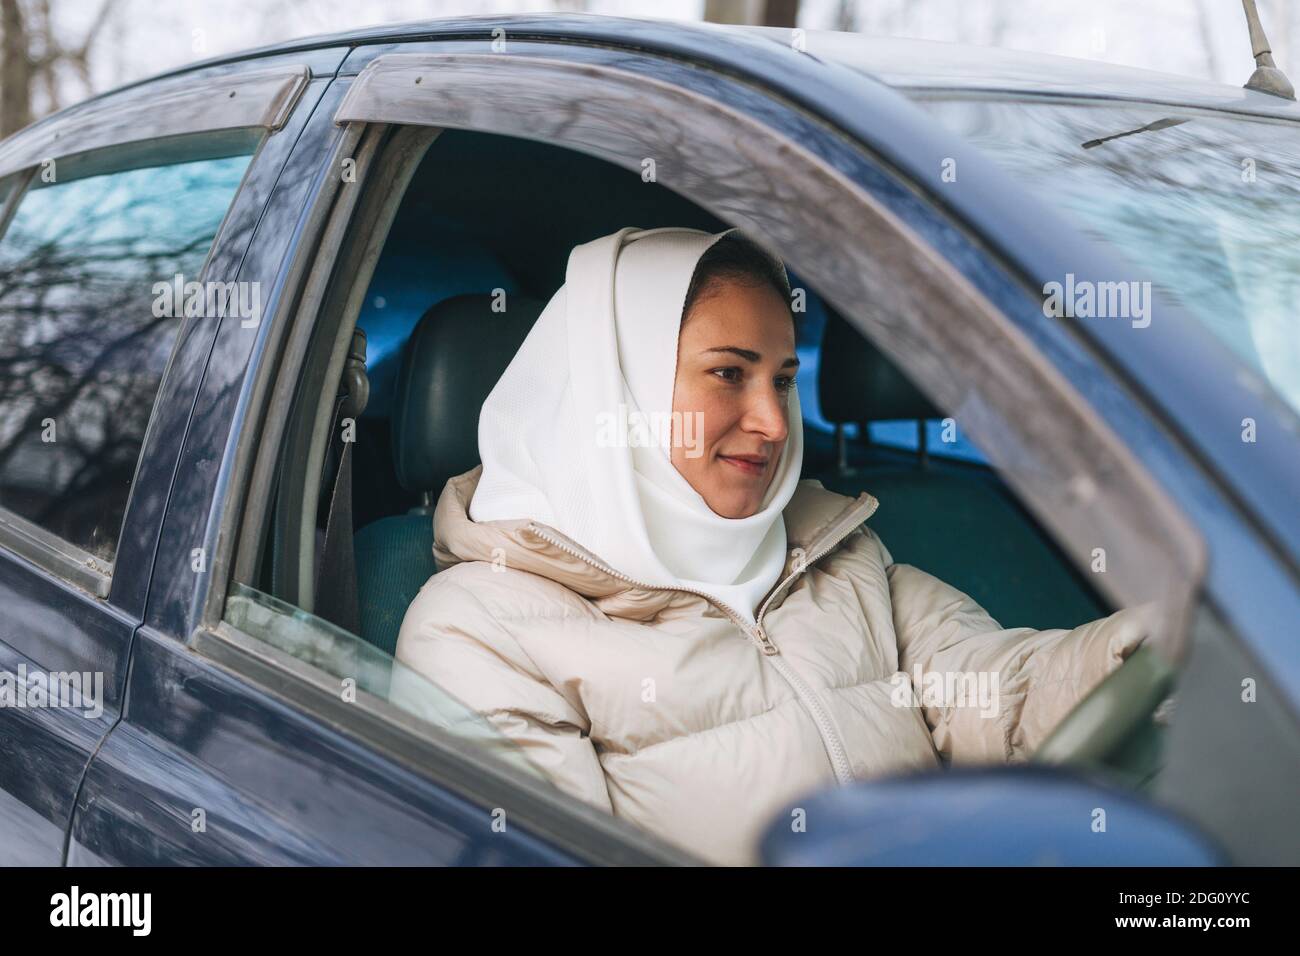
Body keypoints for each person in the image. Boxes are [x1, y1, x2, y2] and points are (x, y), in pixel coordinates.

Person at [394, 225, 1153, 866]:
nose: (774, 422)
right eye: (729, 373)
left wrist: (1150, 646)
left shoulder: (835, 548)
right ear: (615, 391)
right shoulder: (479, 629)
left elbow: (996, 690)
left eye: (783, 380)